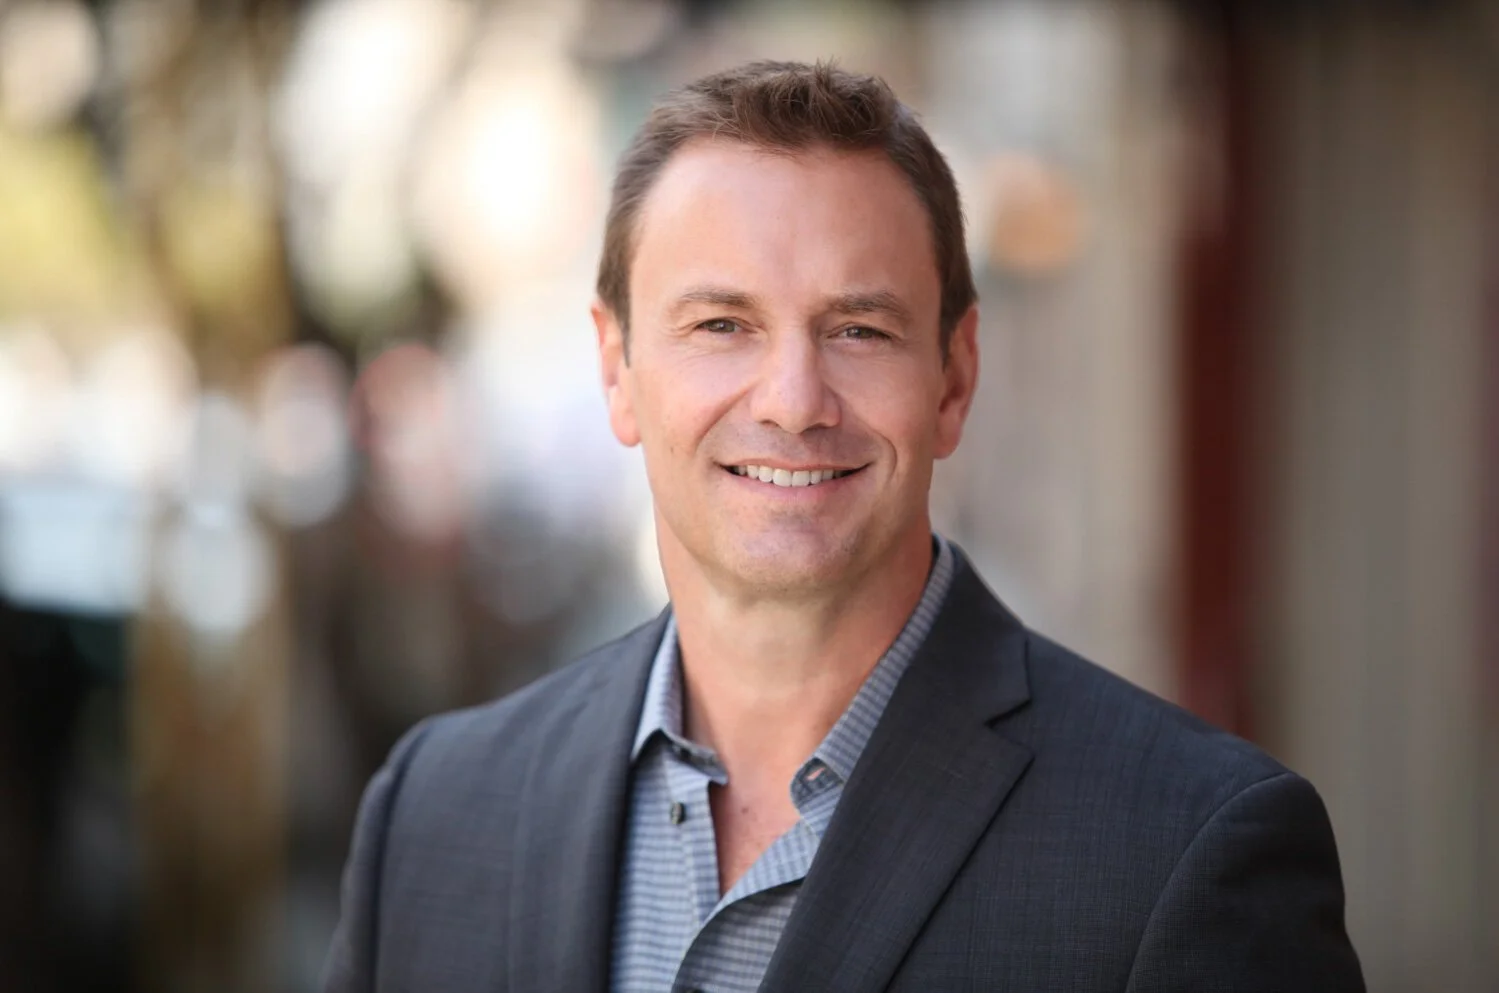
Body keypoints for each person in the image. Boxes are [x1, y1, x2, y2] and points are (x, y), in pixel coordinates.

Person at [322, 61, 1364, 993]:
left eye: (857, 329)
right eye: (720, 325)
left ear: (953, 379)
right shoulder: (434, 812)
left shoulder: (1186, 849)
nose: (790, 399)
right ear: (615, 369)